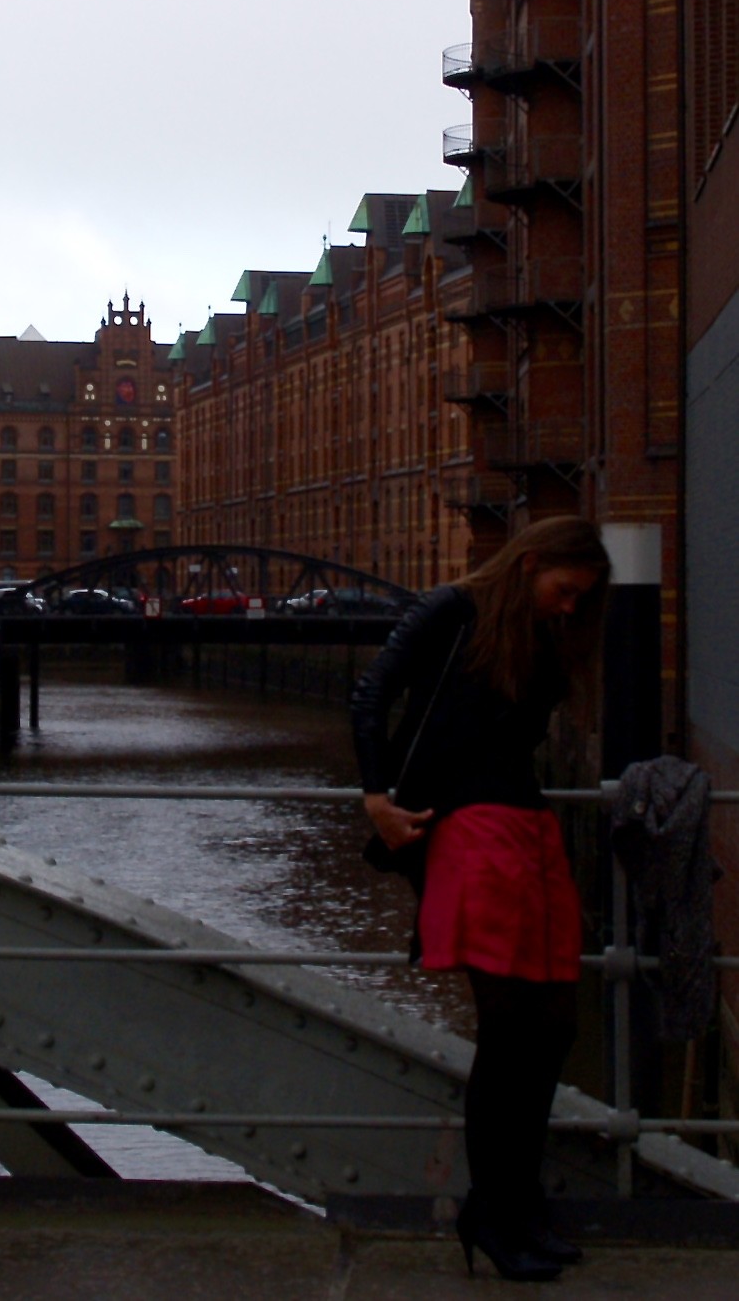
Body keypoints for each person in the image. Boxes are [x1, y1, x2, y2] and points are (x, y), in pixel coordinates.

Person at [351, 517, 610, 1282]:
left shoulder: (537, 635)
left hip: (528, 830)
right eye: (565, 591)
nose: (570, 608)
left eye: (582, 600)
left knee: (555, 1025)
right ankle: (495, 1212)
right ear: (530, 563)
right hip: (467, 830)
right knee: (507, 1029)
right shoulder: (452, 611)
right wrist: (375, 797)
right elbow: (372, 694)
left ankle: (519, 1204)